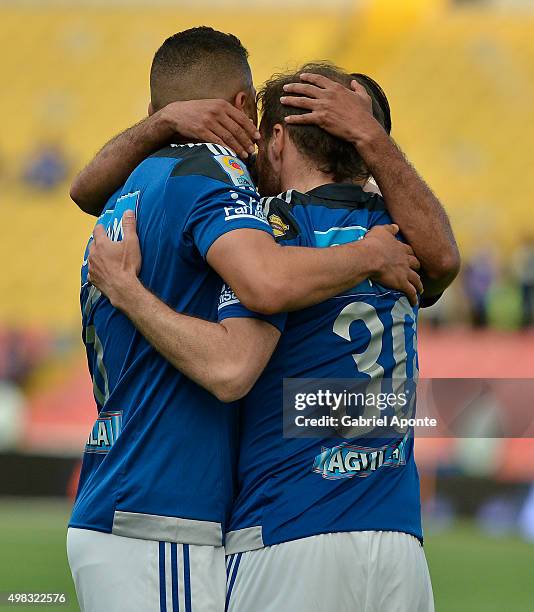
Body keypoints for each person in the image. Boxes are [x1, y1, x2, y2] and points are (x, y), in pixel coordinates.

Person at [67, 29, 423, 612]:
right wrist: (369, 255)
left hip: (123, 497)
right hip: (162, 513)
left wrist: (159, 124)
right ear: (239, 109)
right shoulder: (211, 181)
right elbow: (246, 333)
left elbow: (81, 188)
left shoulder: (129, 187)